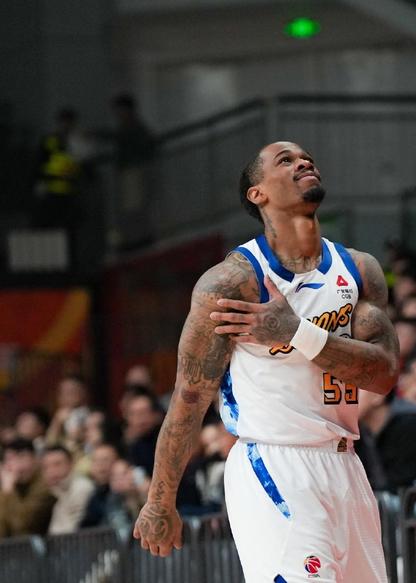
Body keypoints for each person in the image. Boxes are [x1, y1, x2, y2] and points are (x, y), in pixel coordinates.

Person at [133, 141, 399, 582]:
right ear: (257, 194)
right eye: (285, 160)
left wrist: (297, 332)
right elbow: (190, 395)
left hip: (347, 463)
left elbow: (384, 374)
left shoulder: (359, 270)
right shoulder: (233, 282)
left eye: (306, 157)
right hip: (274, 461)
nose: (304, 161)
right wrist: (160, 500)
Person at [0, 438, 56, 538]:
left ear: (36, 459)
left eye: (22, 458)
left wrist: (8, 491)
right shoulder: (8, 487)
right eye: (10, 460)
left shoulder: (45, 487)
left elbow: (21, 527)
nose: (17, 466)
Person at [41, 445, 94, 534]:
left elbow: (72, 530)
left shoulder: (82, 488)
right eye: (46, 467)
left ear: (71, 464)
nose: (51, 471)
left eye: (57, 464)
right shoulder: (55, 491)